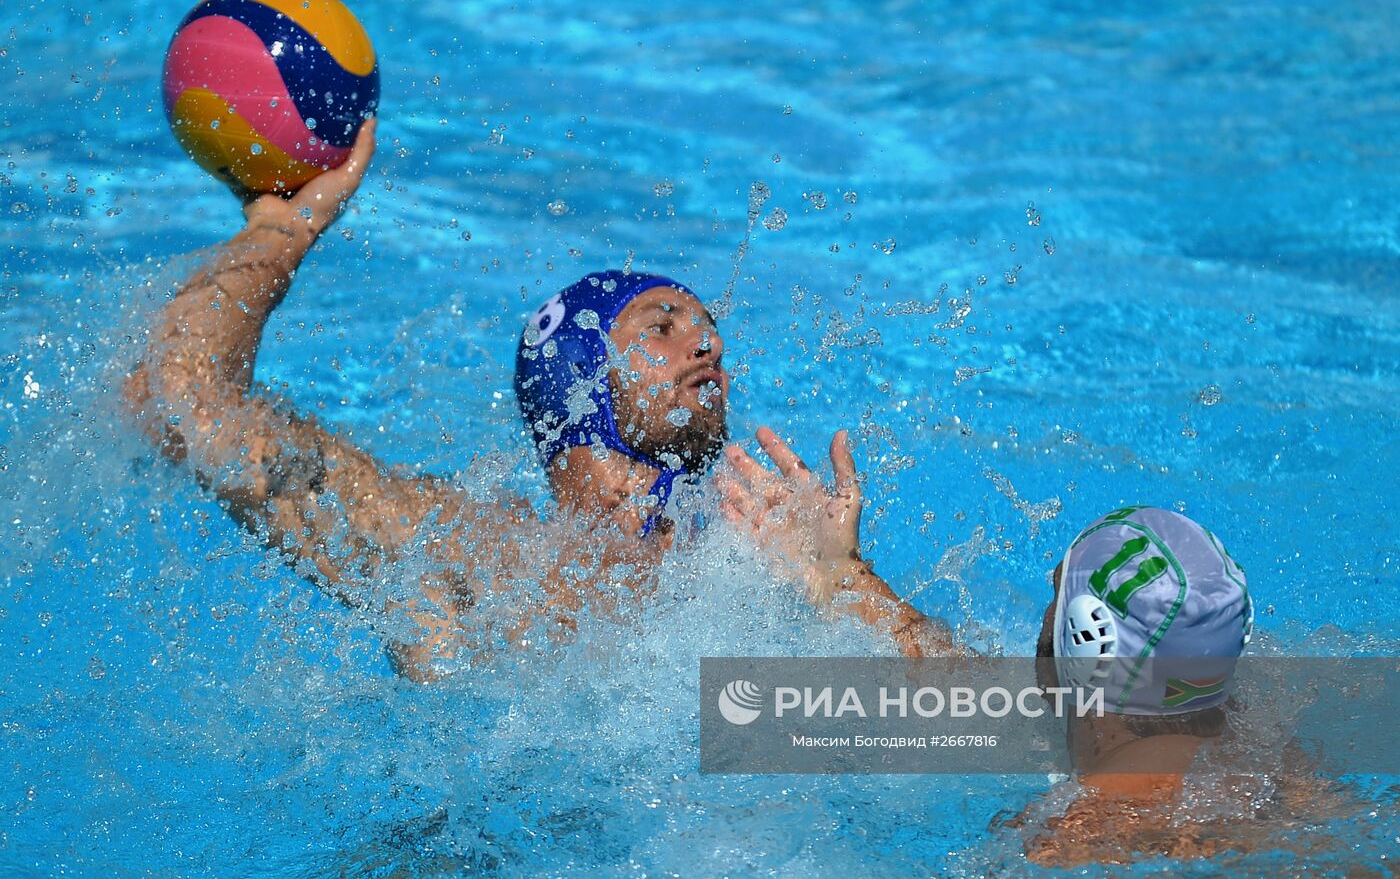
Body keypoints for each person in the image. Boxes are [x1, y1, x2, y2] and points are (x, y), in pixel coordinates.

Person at [122, 119, 951, 681]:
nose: (710, 344)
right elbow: (179, 403)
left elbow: (1006, 727)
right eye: (662, 326)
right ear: (580, 380)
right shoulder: (467, 556)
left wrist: (849, 586)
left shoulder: (750, 571)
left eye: (705, 324)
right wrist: (281, 231)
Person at [1013, 506, 1349, 865]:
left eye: (1057, 591)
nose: (1047, 613)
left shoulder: (1084, 821)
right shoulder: (1274, 755)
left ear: (1086, 640)